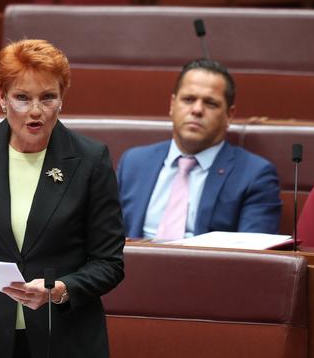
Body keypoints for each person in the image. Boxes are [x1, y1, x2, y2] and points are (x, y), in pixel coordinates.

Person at [0, 39, 125, 358]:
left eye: (47, 97)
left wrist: (60, 291)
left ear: (62, 98)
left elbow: (109, 263)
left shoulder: (90, 160)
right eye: (22, 98)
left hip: (65, 337)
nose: (35, 112)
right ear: (1, 96)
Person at [117, 59, 281, 240]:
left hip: (204, 268)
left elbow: (254, 257)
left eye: (210, 103)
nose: (197, 109)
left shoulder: (254, 175)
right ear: (172, 105)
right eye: (188, 99)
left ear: (229, 115)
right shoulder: (134, 162)